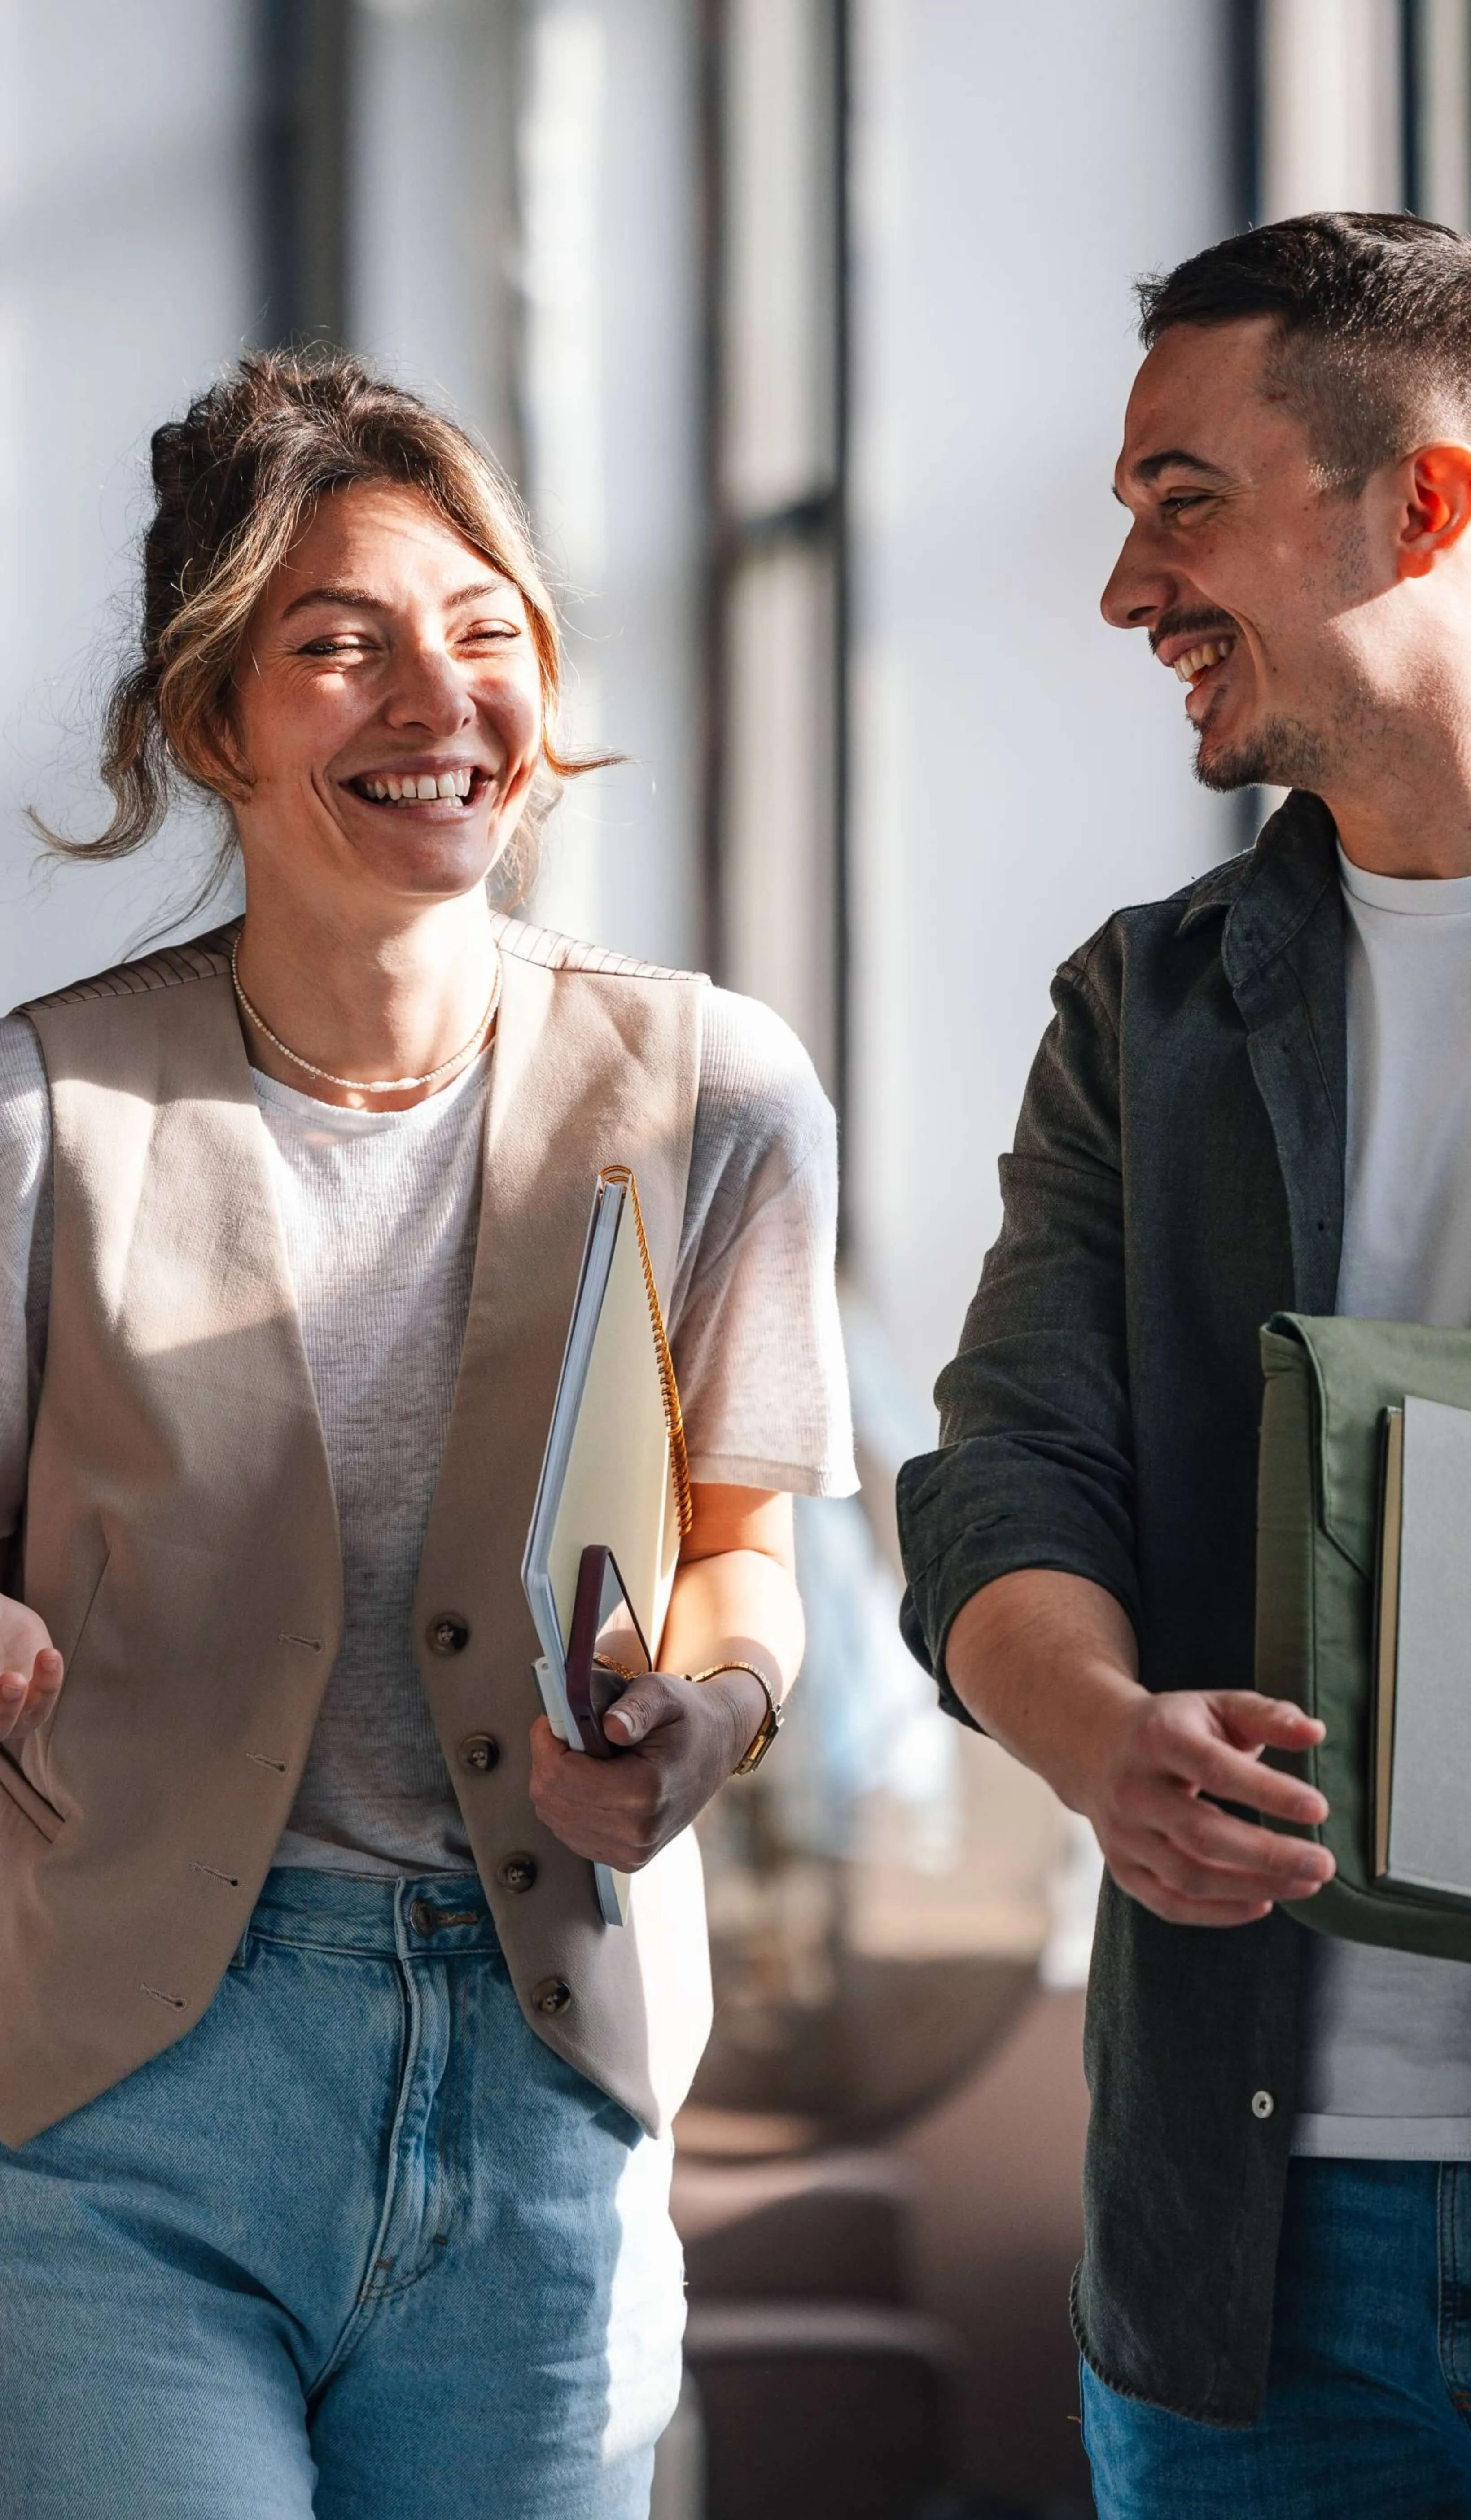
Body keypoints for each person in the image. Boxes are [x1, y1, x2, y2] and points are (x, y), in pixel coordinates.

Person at [0, 350, 853, 2520]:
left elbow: (749, 1552)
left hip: (548, 2074)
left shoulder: (710, 1091)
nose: (433, 699)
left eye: (485, 635)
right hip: (125, 2087)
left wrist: (716, 1716)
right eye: (338, 646)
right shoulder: (44, 1113)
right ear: (212, 719)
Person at [898, 212, 1471, 2515]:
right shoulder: (1138, 1012)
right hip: (1248, 2279)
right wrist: (1096, 1739)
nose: (1128, 591)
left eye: (1180, 500)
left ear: (1421, 505)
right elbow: (1005, 1475)